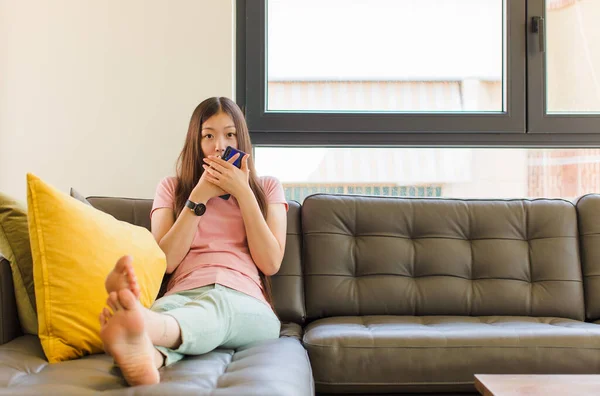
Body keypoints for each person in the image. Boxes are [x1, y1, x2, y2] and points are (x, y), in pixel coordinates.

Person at [99, 97, 288, 386]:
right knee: (162, 319)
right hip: (183, 294)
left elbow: (271, 262)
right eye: (208, 136)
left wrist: (244, 193)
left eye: (229, 134)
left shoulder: (268, 188)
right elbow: (167, 262)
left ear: (242, 141)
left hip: (245, 300)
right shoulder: (172, 189)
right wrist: (198, 197)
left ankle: (146, 323)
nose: (220, 146)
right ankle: (149, 355)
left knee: (216, 307)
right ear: (195, 143)